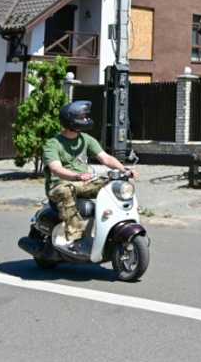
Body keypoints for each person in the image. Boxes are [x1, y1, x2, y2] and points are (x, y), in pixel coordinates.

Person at [43, 100, 136, 252]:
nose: (86, 119)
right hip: (60, 185)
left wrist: (124, 169)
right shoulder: (53, 143)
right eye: (83, 117)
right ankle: (74, 239)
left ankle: (113, 227)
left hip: (84, 182)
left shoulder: (85, 139)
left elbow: (105, 158)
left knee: (115, 184)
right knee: (67, 190)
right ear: (71, 120)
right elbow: (56, 169)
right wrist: (77, 176)